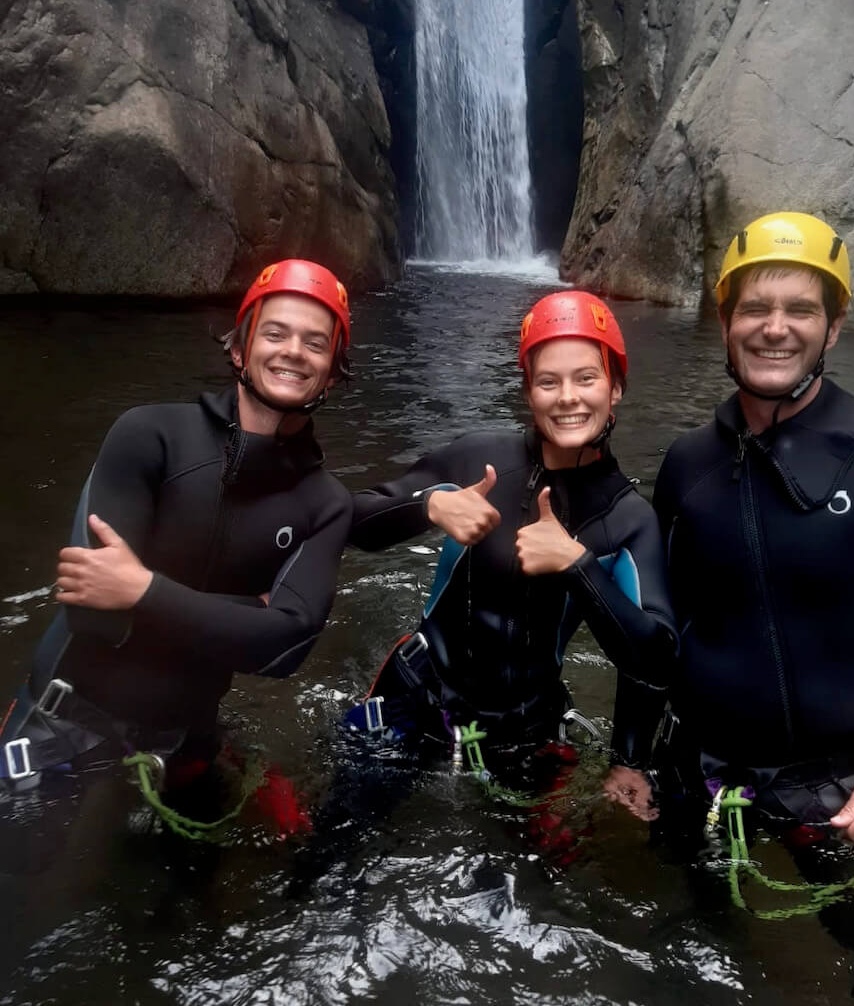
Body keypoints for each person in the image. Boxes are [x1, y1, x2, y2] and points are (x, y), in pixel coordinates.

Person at [651, 211, 854, 847]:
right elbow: (656, 626)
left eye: (800, 310)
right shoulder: (688, 463)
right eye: (755, 308)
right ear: (725, 322)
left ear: (833, 327)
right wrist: (629, 757)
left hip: (837, 792)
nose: (775, 328)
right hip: (692, 776)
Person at [0, 258, 354, 800]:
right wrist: (256, 612)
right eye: (275, 333)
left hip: (187, 741)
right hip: (62, 731)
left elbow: (287, 650)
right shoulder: (150, 435)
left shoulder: (326, 502)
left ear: (332, 371)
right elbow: (96, 613)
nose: (292, 352)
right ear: (239, 349)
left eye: (315, 343)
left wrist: (142, 589)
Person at [338, 290, 677, 829]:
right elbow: (352, 521)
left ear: (615, 387)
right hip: (418, 700)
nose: (568, 398)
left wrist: (578, 565)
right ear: (528, 392)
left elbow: (656, 657)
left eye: (586, 378)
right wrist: (429, 506)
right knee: (330, 849)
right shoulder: (478, 460)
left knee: (545, 877)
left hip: (527, 729)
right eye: (549, 382)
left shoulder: (627, 519)